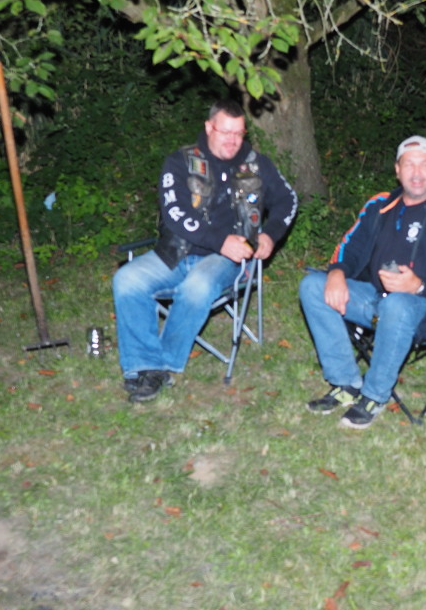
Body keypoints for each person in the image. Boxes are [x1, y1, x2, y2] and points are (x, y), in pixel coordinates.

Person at [112, 98, 298, 403]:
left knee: (198, 286)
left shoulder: (257, 164)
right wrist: (220, 239)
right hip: (177, 252)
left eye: (239, 133)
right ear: (209, 128)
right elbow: (175, 213)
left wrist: (271, 234)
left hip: (228, 260)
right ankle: (145, 364)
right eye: (226, 132)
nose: (233, 140)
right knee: (127, 279)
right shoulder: (180, 162)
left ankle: (160, 367)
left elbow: (288, 200)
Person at [299, 136, 426, 429]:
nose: (416, 173)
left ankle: (374, 395)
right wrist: (337, 272)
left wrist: (419, 285)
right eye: (409, 165)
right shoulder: (380, 204)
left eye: (424, 165)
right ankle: (346, 383)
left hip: (425, 304)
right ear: (397, 170)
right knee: (312, 287)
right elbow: (350, 245)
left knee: (397, 304)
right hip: (373, 295)